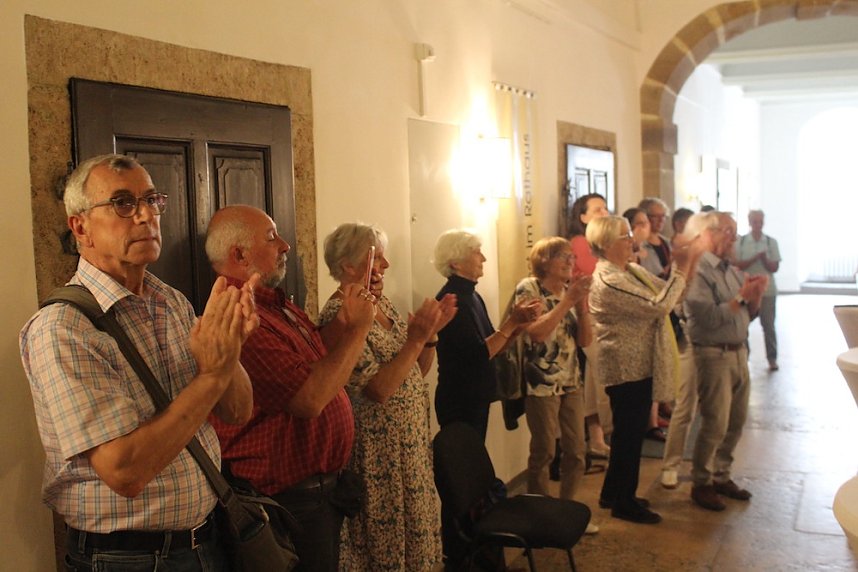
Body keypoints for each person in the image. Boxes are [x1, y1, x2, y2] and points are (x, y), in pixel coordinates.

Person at [20, 154, 258, 571]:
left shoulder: (171, 302)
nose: (146, 215)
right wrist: (213, 375)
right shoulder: (63, 328)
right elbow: (125, 471)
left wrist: (229, 347)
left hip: (206, 540)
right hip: (125, 558)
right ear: (81, 227)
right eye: (123, 203)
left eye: (151, 200)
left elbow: (238, 411)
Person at [205, 205, 376, 572]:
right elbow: (309, 398)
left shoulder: (276, 305)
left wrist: (346, 319)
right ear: (239, 254)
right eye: (270, 237)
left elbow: (318, 359)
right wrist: (360, 331)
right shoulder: (239, 317)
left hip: (317, 496)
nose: (285, 245)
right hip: (287, 504)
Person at [316, 223, 456, 571]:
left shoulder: (383, 304)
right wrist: (415, 339)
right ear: (348, 264)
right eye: (376, 257)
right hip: (380, 455)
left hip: (409, 446)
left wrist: (430, 337)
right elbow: (378, 390)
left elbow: (411, 373)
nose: (386, 265)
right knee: (385, 551)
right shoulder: (340, 313)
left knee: (417, 547)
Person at [586, 215, 702, 524]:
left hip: (639, 365)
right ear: (607, 243)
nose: (632, 241)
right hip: (626, 369)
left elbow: (667, 294)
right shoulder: (610, 279)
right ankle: (624, 502)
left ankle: (613, 493)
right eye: (625, 236)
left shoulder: (631, 270)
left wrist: (684, 271)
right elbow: (658, 307)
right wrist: (680, 267)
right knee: (628, 437)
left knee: (629, 434)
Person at [684, 211, 768, 511]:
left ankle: (722, 474)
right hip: (713, 353)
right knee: (715, 422)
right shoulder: (698, 272)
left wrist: (754, 296)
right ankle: (701, 482)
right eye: (728, 232)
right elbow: (707, 317)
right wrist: (743, 298)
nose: (733, 238)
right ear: (709, 234)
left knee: (736, 420)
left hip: (738, 351)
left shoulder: (729, 269)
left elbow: (746, 314)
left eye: (734, 232)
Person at [515, 237, 599, 534]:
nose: (569, 262)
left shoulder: (570, 292)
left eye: (571, 257)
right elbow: (536, 334)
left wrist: (583, 303)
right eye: (562, 256)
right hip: (541, 384)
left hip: (571, 381)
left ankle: (568, 509)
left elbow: (586, 341)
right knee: (544, 451)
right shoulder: (529, 288)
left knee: (577, 451)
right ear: (544, 261)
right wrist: (568, 301)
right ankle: (539, 515)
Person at [432, 229, 539, 440]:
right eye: (476, 252)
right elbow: (478, 354)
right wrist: (512, 322)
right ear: (456, 262)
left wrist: (519, 326)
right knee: (465, 465)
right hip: (459, 398)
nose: (483, 258)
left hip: (475, 396)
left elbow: (494, 347)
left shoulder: (471, 295)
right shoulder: (452, 299)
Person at [567, 193, 612, 459]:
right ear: (582, 217)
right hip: (588, 316)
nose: (604, 213)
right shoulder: (580, 243)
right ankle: (600, 431)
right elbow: (595, 276)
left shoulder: (604, 243)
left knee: (596, 380)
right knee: (600, 373)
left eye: (605, 208)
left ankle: (597, 436)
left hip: (604, 317)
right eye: (597, 209)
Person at [735, 209, 781, 371]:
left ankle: (772, 358)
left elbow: (774, 267)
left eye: (760, 222)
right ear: (749, 222)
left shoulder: (770, 242)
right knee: (743, 324)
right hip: (746, 290)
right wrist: (755, 258)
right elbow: (737, 265)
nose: (758, 225)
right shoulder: (740, 242)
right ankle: (744, 357)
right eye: (755, 222)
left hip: (767, 292)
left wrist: (765, 259)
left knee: (768, 326)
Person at [638, 197, 672, 279]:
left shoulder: (667, 242)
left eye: (663, 216)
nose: (661, 220)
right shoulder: (639, 245)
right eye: (656, 216)